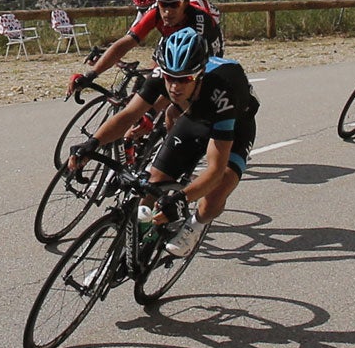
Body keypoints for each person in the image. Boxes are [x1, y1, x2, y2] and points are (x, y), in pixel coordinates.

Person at [71, 26, 258, 257]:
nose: (174, 87)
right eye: (170, 78)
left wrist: (183, 198)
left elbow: (216, 169)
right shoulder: (162, 76)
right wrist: (92, 144)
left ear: (200, 73)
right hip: (193, 117)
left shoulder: (224, 91)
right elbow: (128, 116)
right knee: (152, 185)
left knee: (217, 190)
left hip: (236, 125)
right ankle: (117, 260)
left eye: (184, 79)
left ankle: (195, 226)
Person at [71, 0, 223, 94]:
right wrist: (90, 75)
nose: (168, 11)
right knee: (149, 83)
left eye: (174, 4)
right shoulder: (154, 12)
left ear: (186, 1)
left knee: (181, 97)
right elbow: (125, 43)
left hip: (206, 51)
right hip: (172, 40)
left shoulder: (197, 21)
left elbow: (184, 72)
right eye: (163, 4)